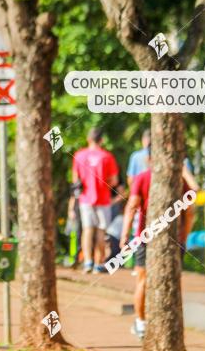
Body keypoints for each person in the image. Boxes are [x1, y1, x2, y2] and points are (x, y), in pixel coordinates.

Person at [120, 148, 196, 340]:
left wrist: (125, 236)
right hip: (173, 240)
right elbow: (190, 212)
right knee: (172, 281)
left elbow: (131, 207)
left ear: (149, 158)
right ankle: (169, 324)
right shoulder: (179, 179)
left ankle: (141, 323)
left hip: (144, 237)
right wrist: (183, 238)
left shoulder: (143, 178)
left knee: (142, 281)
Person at [72, 128, 119, 273]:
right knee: (100, 231)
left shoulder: (79, 155)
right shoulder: (107, 157)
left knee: (87, 230)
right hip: (103, 199)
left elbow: (75, 179)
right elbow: (114, 180)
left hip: (85, 198)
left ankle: (87, 262)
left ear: (88, 139)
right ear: (102, 140)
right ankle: (98, 264)